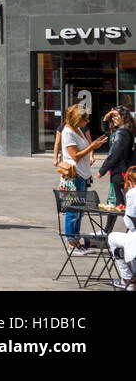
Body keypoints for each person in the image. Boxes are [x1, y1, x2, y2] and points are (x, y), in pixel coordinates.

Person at [60, 102, 108, 253]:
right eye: (85, 119)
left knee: (78, 211)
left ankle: (76, 241)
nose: (87, 122)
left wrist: (94, 146)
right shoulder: (68, 132)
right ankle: (71, 244)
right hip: (73, 176)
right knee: (72, 211)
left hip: (81, 175)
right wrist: (92, 147)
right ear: (76, 118)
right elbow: (75, 156)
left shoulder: (78, 130)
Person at [98, 106, 136, 232]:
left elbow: (115, 153)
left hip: (120, 172)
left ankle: (132, 230)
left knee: (121, 205)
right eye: (112, 116)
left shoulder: (122, 133)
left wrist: (102, 170)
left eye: (115, 116)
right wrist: (106, 118)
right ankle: (107, 230)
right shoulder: (122, 131)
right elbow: (106, 131)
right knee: (115, 203)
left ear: (123, 117)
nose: (113, 118)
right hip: (120, 171)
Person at [106, 168, 136, 291]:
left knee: (112, 237)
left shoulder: (132, 193)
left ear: (129, 181)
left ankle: (127, 278)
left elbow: (130, 222)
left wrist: (124, 214)